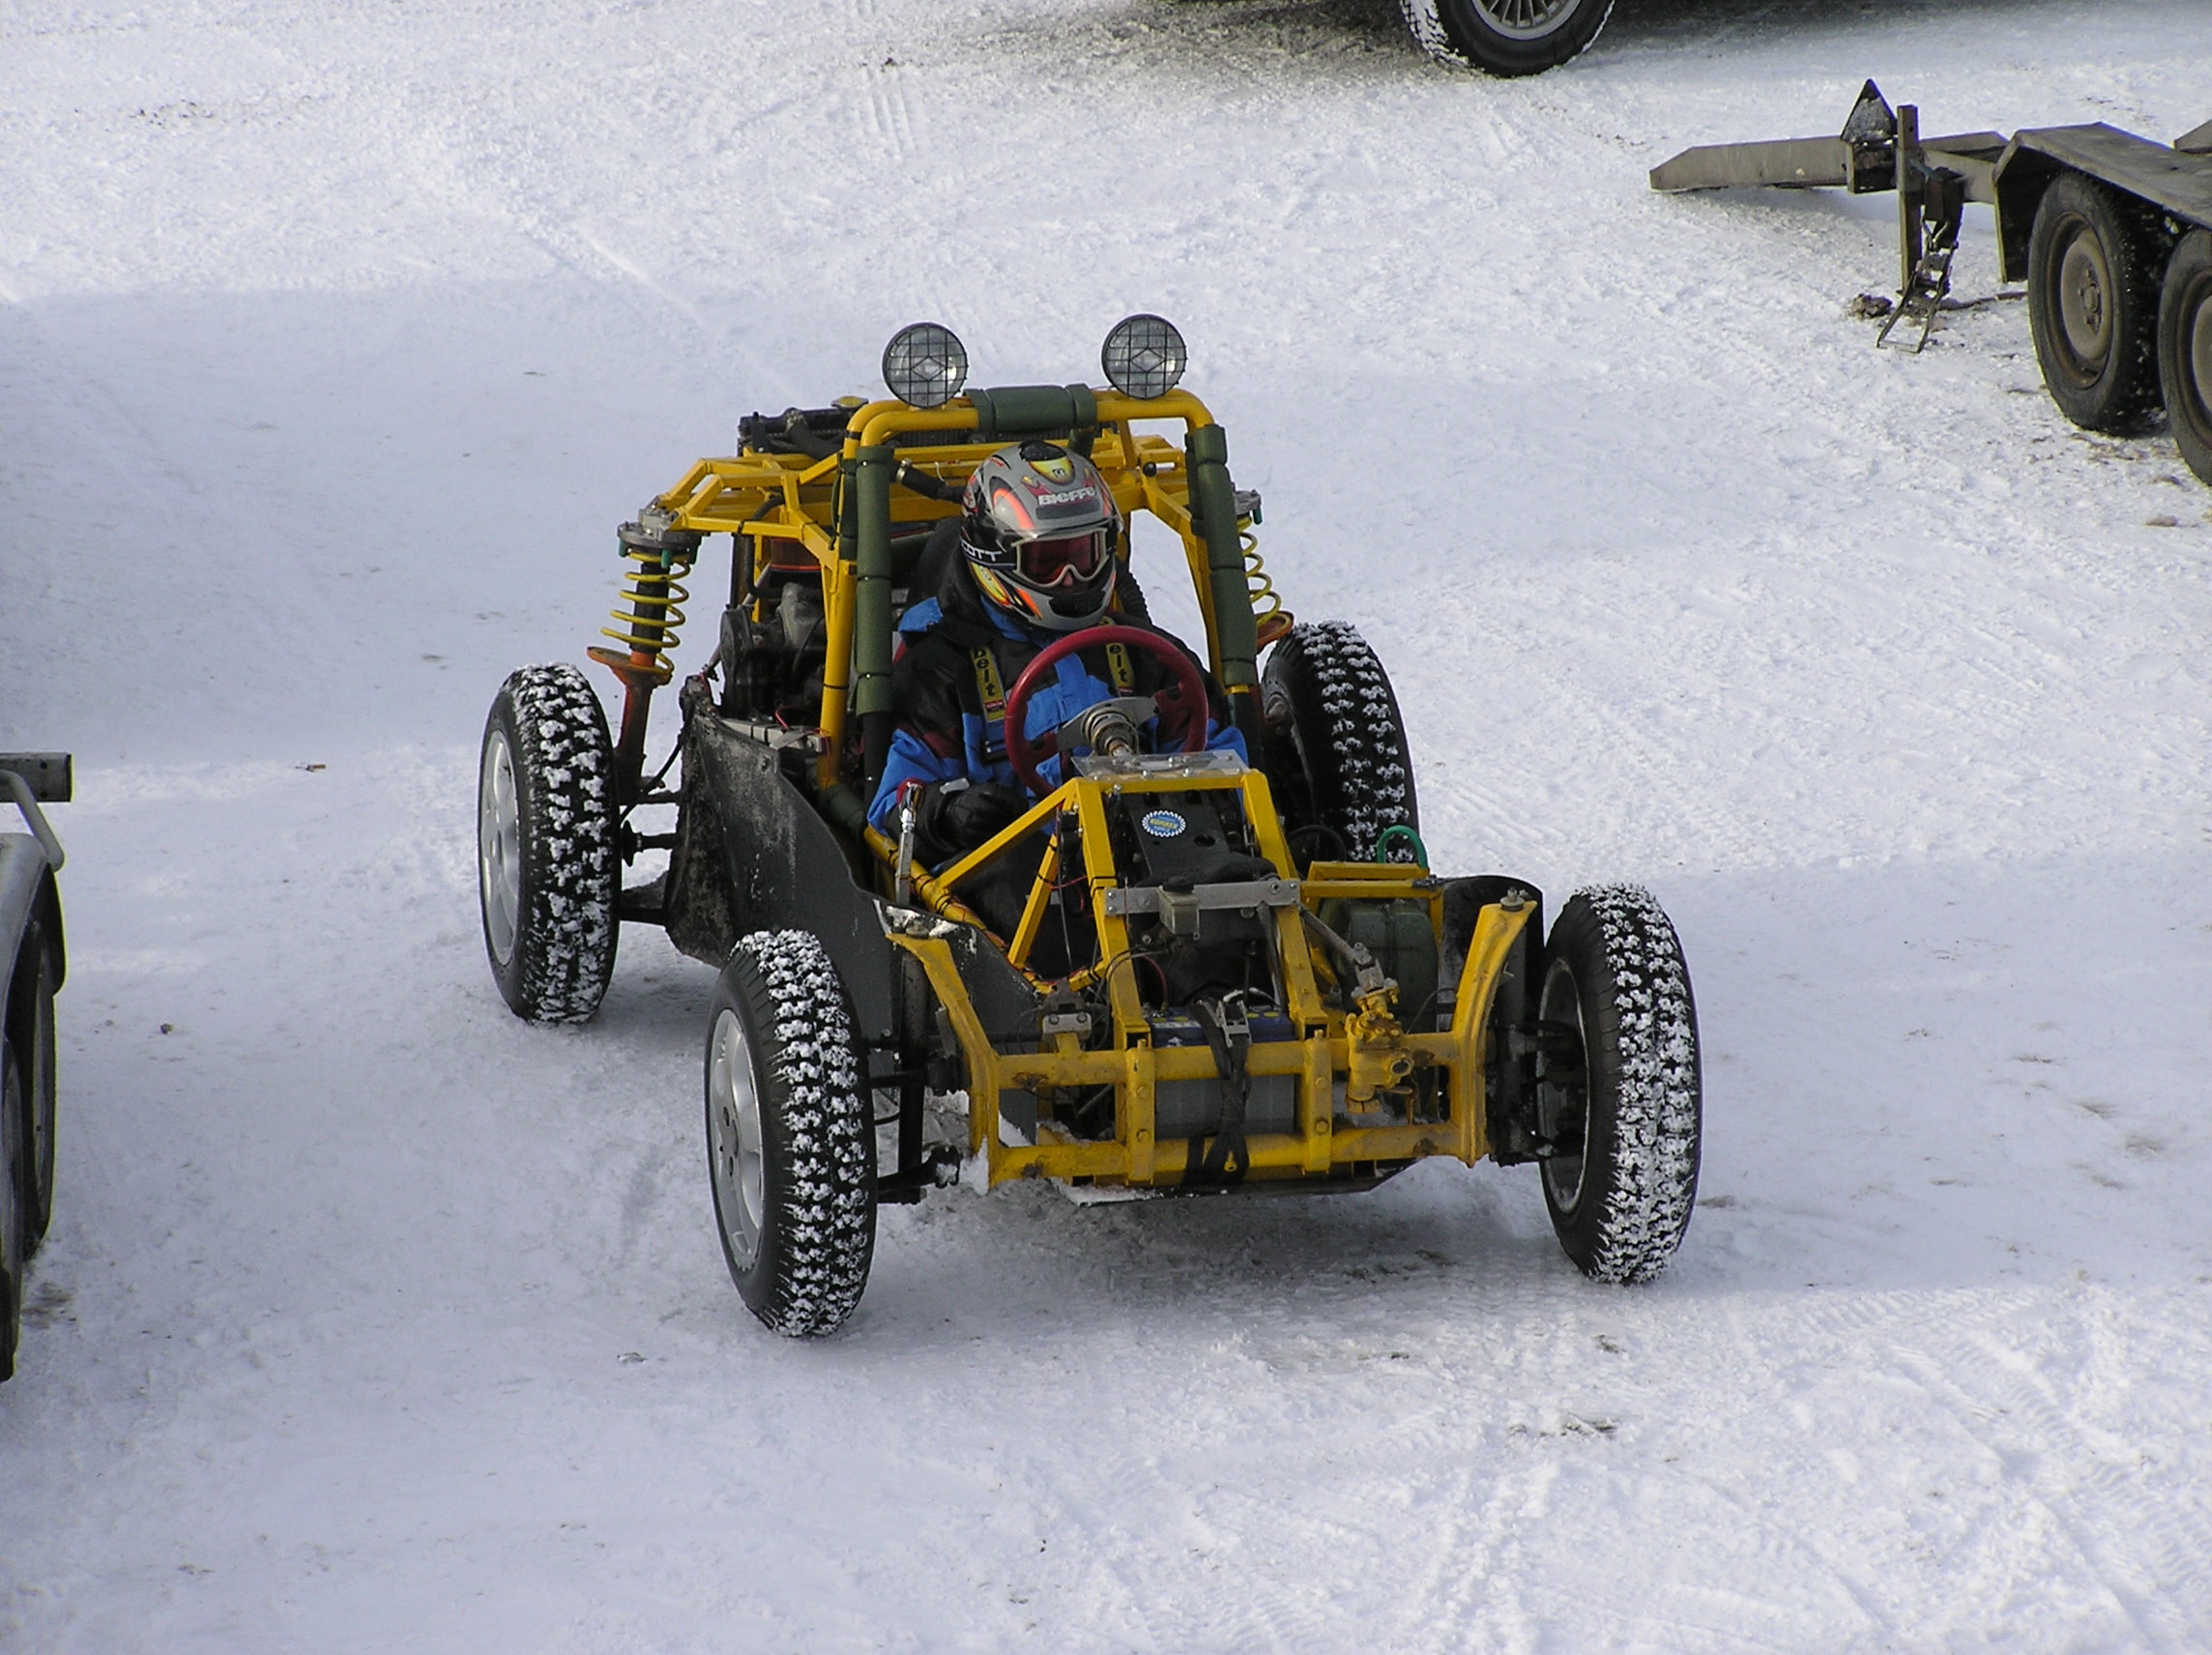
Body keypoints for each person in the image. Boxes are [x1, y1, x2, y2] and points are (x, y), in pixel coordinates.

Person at [867, 439, 1246, 891]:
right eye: (1049, 562)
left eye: (1084, 555)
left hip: (1155, 861)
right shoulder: (940, 669)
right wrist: (947, 813)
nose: (1072, 579)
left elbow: (1224, 755)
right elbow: (892, 805)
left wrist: (1216, 795)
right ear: (996, 558)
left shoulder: (1146, 652)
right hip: (1020, 890)